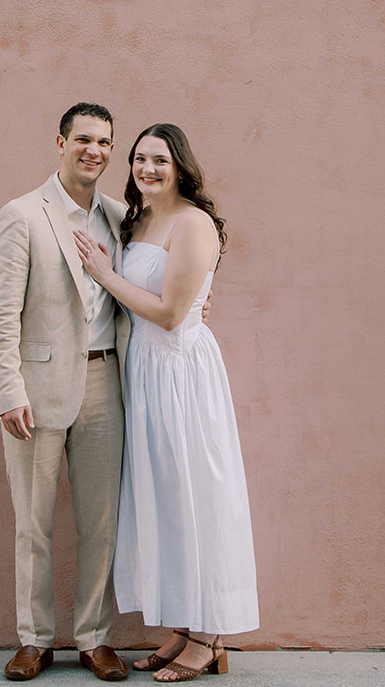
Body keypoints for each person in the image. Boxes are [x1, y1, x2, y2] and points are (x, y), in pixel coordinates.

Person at [74, 123, 259, 682]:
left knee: (196, 495)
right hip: (147, 375)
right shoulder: (138, 221)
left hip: (183, 377)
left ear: (180, 165)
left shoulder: (194, 222)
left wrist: (104, 274)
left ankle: (211, 635)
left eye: (159, 160)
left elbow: (173, 314)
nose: (146, 168)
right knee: (166, 501)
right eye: (138, 159)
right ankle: (183, 626)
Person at [0, 103, 131, 682]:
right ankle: (35, 639)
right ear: (61, 142)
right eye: (84, 140)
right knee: (33, 520)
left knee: (101, 521)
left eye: (104, 142)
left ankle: (95, 638)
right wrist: (7, 390)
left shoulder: (121, 219)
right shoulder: (22, 215)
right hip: (37, 387)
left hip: (106, 382)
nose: (94, 150)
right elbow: (0, 316)